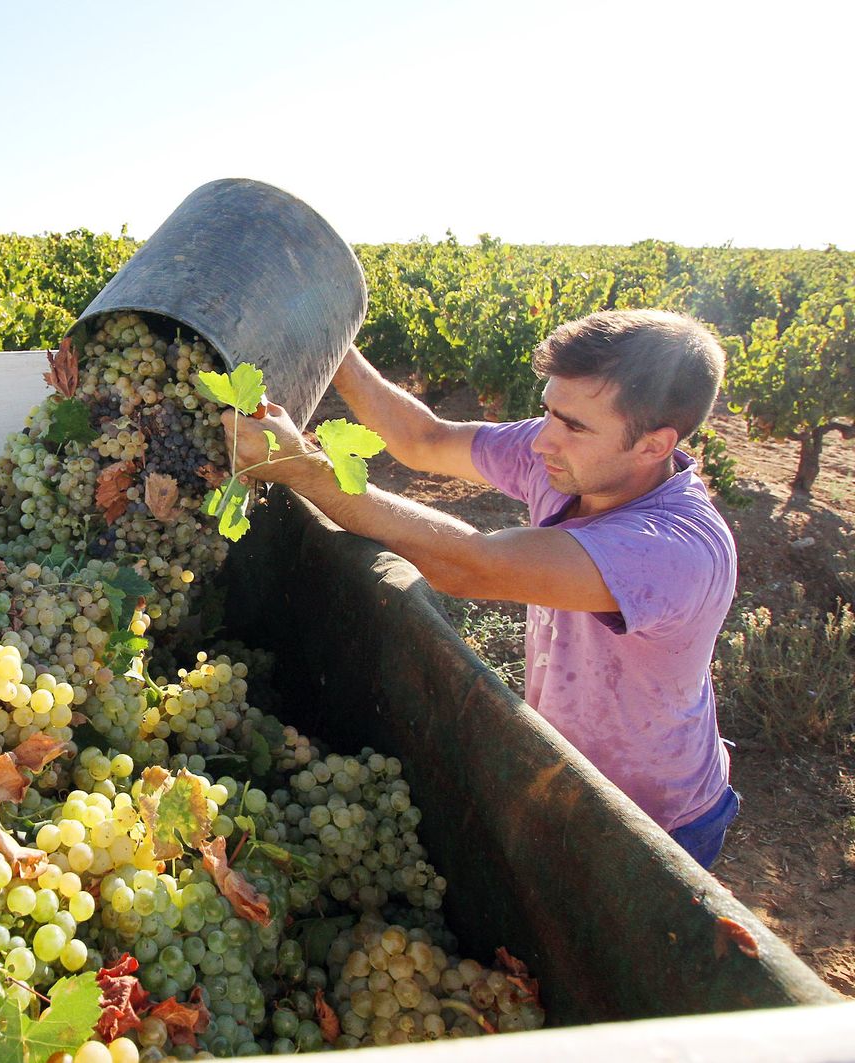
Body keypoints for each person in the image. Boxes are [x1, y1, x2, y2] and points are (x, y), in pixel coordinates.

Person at [223, 309, 740, 867]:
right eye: (549, 411)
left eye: (574, 425)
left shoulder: (674, 549)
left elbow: (472, 565)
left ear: (653, 445)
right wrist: (331, 343)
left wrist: (303, 466)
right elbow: (423, 439)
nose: (542, 441)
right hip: (568, 779)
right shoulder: (566, 458)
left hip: (656, 824)